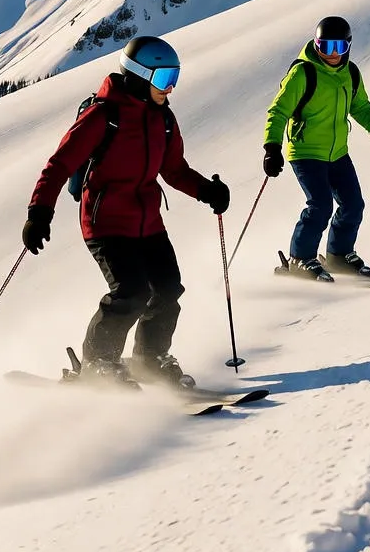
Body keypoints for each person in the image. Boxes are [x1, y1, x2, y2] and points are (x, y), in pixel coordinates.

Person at [21, 36, 230, 387]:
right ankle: (97, 363)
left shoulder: (163, 119)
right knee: (132, 292)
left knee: (166, 289)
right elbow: (59, 164)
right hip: (106, 224)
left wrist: (207, 191)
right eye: (164, 79)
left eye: (174, 77)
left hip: (148, 222)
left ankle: (149, 358)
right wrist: (39, 212)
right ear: (138, 76)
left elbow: (174, 170)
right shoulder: (103, 116)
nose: (171, 88)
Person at [262, 16, 370, 281]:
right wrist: (272, 147)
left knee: (353, 204)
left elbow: (360, 107)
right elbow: (278, 111)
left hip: (337, 152)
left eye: (338, 47)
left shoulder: (351, 73)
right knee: (320, 206)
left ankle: (338, 255)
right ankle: (300, 258)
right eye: (325, 47)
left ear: (348, 46)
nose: (332, 54)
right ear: (316, 45)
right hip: (305, 152)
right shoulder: (303, 73)